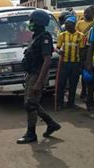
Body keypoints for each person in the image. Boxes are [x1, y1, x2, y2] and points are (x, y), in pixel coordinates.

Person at [17, 10, 61, 144]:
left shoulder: (45, 37)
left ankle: (31, 134)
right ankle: (51, 123)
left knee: (30, 104)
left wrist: (38, 82)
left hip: (38, 74)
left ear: (39, 22)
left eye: (32, 21)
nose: (29, 24)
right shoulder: (37, 36)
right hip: (32, 73)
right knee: (31, 102)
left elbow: (47, 60)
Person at [56, 16, 85, 109]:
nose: (66, 25)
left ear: (73, 25)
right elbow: (57, 47)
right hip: (64, 63)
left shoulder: (81, 36)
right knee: (61, 83)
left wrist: (81, 64)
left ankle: (71, 103)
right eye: (66, 24)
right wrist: (59, 51)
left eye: (68, 24)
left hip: (75, 63)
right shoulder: (62, 35)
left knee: (73, 84)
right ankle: (60, 103)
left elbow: (82, 51)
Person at [77, 6, 94, 107]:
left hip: (92, 50)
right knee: (84, 73)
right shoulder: (79, 23)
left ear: (93, 14)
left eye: (88, 12)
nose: (86, 14)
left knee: (91, 74)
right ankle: (84, 90)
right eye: (85, 12)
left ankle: (90, 95)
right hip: (82, 51)